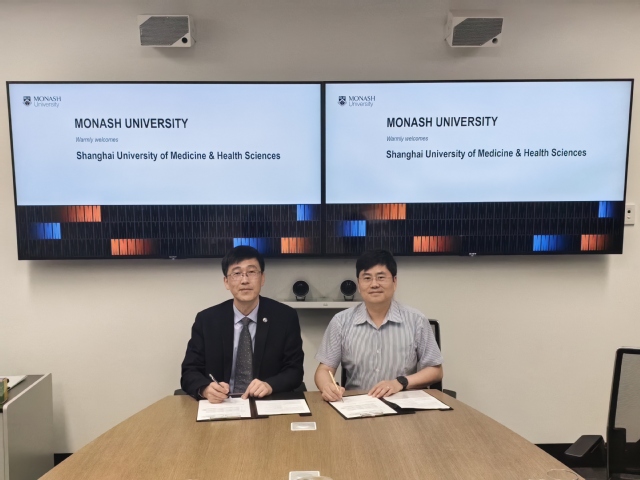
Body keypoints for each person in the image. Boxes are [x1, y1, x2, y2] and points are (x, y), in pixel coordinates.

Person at [314, 249, 443, 402]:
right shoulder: (341, 322)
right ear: (359, 285)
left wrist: (400, 383)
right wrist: (327, 387)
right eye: (367, 278)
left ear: (394, 282)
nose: (374, 284)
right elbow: (324, 370)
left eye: (381, 277)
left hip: (403, 405)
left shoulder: (416, 321)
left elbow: (435, 370)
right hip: (357, 406)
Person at [181, 245, 304, 403]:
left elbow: (295, 371)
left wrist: (270, 385)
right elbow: (189, 371)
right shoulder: (207, 320)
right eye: (237, 273)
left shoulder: (285, 317)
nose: (245, 280)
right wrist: (205, 389)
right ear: (226, 282)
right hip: (222, 404)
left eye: (251, 272)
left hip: (266, 402)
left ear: (262, 278)